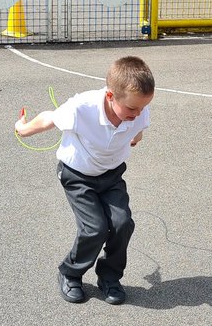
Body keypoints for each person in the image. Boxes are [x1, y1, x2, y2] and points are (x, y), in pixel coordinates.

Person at [15, 56, 155, 306]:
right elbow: (49, 118)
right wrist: (23, 129)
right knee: (95, 228)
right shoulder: (82, 107)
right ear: (111, 96)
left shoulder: (138, 113)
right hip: (77, 175)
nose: (138, 113)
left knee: (122, 223)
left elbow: (138, 127)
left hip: (111, 175)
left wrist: (135, 137)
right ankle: (70, 272)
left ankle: (109, 277)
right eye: (132, 109)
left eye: (143, 108)